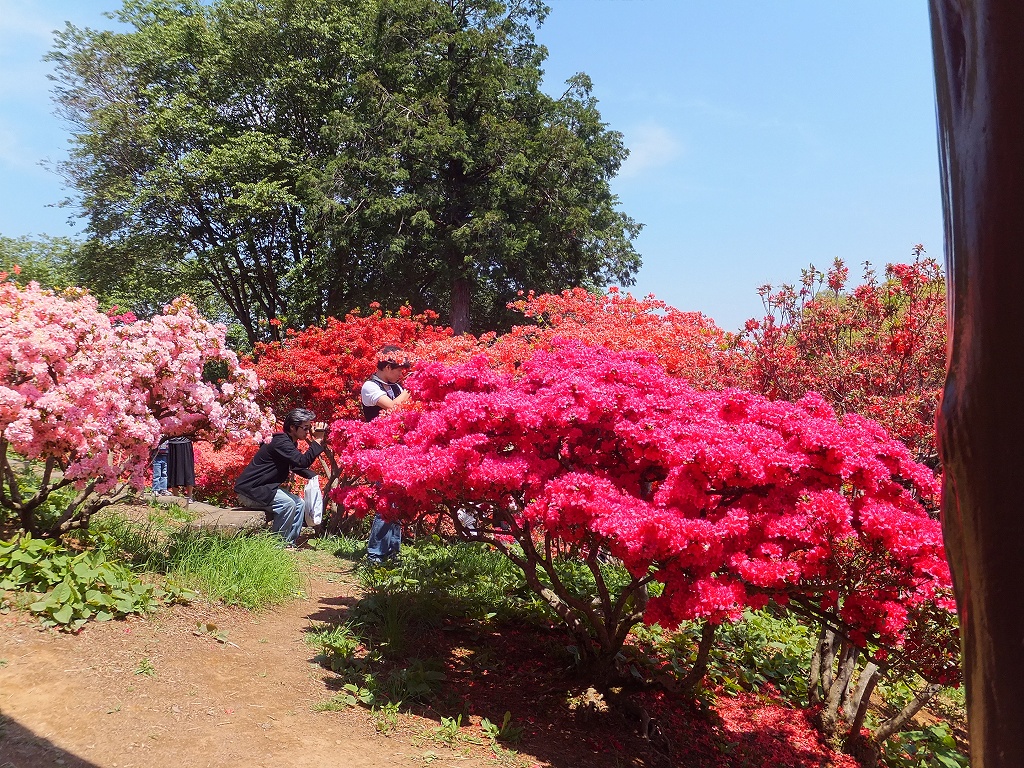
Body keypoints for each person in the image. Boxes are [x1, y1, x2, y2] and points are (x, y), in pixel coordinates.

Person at [234, 408, 327, 546]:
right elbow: (302, 462)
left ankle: (289, 543)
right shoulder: (281, 442)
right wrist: (317, 440)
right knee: (287, 504)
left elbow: (295, 465)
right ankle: (277, 545)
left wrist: (312, 476)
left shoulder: (288, 442)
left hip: (264, 489)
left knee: (299, 504)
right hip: (250, 491)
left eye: (309, 427)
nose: (308, 431)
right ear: (292, 427)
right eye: (305, 428)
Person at [361, 346, 411, 564]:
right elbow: (392, 407)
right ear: (388, 367)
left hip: (398, 449)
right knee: (386, 501)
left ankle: (392, 552)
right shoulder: (370, 386)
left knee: (396, 502)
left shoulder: (396, 386)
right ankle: (376, 554)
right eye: (399, 369)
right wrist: (411, 389)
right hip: (380, 451)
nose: (401, 374)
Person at [166, 435, 195, 501]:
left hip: (185, 442)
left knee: (188, 470)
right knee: (173, 470)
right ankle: (176, 496)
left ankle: (190, 496)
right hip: (172, 443)